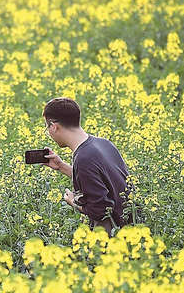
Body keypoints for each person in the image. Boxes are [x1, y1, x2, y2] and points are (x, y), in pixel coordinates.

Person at [42, 97, 132, 234]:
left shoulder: (84, 157)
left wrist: (73, 202)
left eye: (47, 128)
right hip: (134, 228)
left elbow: (100, 210)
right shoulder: (103, 143)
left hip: (116, 239)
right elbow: (101, 180)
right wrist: (61, 166)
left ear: (54, 127)